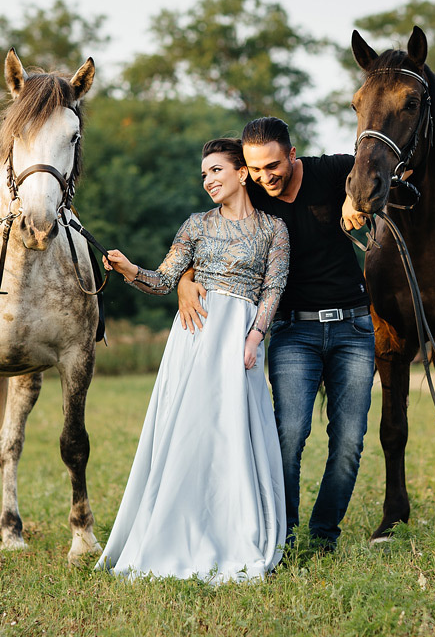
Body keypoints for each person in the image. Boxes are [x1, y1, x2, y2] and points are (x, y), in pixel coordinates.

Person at [95, 138, 290, 583]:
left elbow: (273, 287)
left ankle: (235, 527)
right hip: (195, 336)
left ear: (243, 173)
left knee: (233, 432)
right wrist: (130, 270)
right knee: (190, 432)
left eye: (216, 171)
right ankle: (173, 528)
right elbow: (164, 280)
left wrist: (255, 336)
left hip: (240, 338)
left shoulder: (274, 229)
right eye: (204, 174)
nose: (208, 181)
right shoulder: (196, 225)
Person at [178, 117, 375, 553]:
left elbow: (385, 168)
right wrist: (184, 280)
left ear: (291, 154)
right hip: (292, 331)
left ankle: (323, 537)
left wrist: (354, 198)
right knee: (288, 436)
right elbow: (210, 238)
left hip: (354, 327)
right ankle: (280, 537)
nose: (266, 176)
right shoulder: (251, 199)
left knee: (348, 441)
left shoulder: (330, 171)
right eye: (255, 168)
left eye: (273, 165)